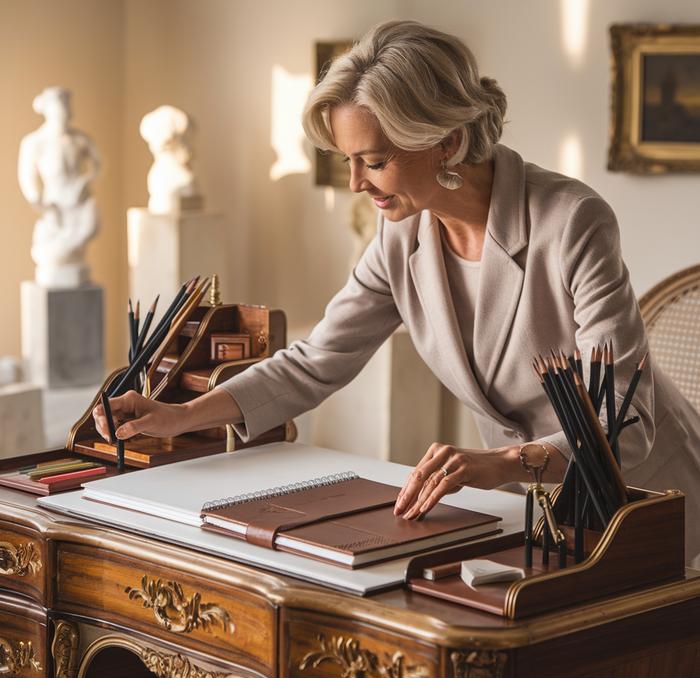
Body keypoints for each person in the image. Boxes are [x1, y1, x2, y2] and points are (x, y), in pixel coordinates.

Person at [94, 20, 700, 565]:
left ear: (447, 142)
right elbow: (316, 361)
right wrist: (180, 416)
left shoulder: (572, 220)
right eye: (348, 161)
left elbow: (627, 417)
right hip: (534, 509)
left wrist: (498, 465)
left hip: (652, 502)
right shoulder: (401, 233)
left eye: (374, 161)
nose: (356, 183)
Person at [18, 86, 101, 288]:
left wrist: (85, 182)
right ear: (48, 112)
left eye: (66, 110)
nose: (65, 116)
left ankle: (64, 248)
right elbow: (27, 177)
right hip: (54, 204)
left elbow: (98, 165)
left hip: (78, 201)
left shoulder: (79, 139)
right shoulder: (34, 142)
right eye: (59, 111)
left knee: (89, 228)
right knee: (54, 250)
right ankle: (56, 249)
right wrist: (39, 202)